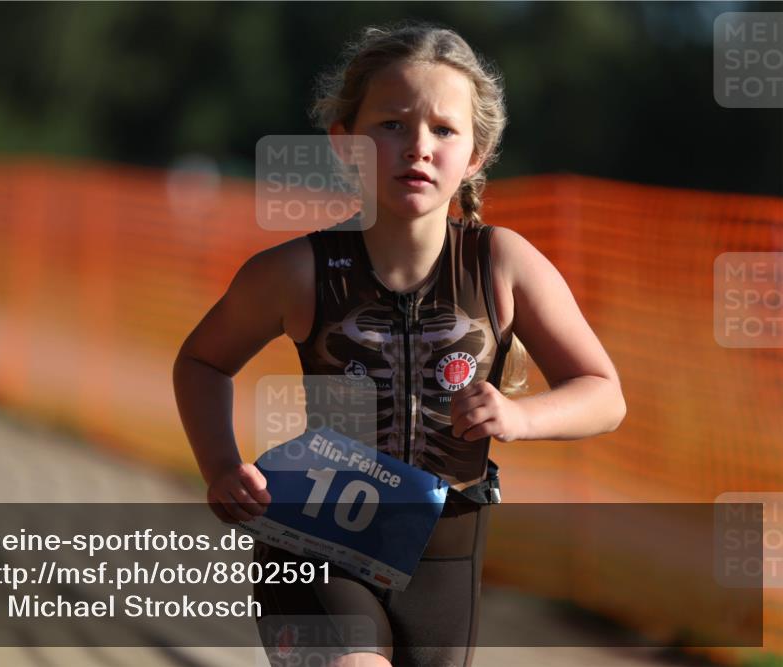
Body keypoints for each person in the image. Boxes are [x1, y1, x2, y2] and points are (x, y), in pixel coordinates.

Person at [174, 20, 626, 667]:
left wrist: (522, 415)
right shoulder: (296, 271)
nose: (418, 146)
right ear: (346, 144)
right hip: (313, 540)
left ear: (476, 154)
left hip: (446, 559)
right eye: (391, 124)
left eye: (444, 129)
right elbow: (202, 359)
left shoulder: (504, 265)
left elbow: (604, 394)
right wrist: (220, 465)